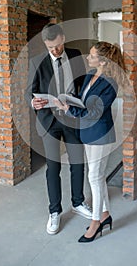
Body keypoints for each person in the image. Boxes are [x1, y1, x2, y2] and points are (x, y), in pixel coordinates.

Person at [55, 41, 126, 243]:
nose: (88, 58)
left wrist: (68, 109)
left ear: (102, 61)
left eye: (92, 56)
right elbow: (82, 99)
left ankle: (96, 222)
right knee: (98, 176)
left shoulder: (110, 84)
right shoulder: (89, 76)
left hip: (100, 135)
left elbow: (94, 113)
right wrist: (67, 100)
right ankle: (105, 214)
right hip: (87, 133)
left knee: (94, 177)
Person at [25, 23, 92, 235]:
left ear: (63, 38)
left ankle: (78, 202)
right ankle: (54, 211)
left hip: (72, 118)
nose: (55, 51)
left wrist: (82, 101)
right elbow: (29, 92)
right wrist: (32, 103)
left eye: (58, 45)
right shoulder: (37, 62)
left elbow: (84, 84)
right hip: (49, 122)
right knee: (53, 168)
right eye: (50, 47)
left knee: (78, 163)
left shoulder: (75, 55)